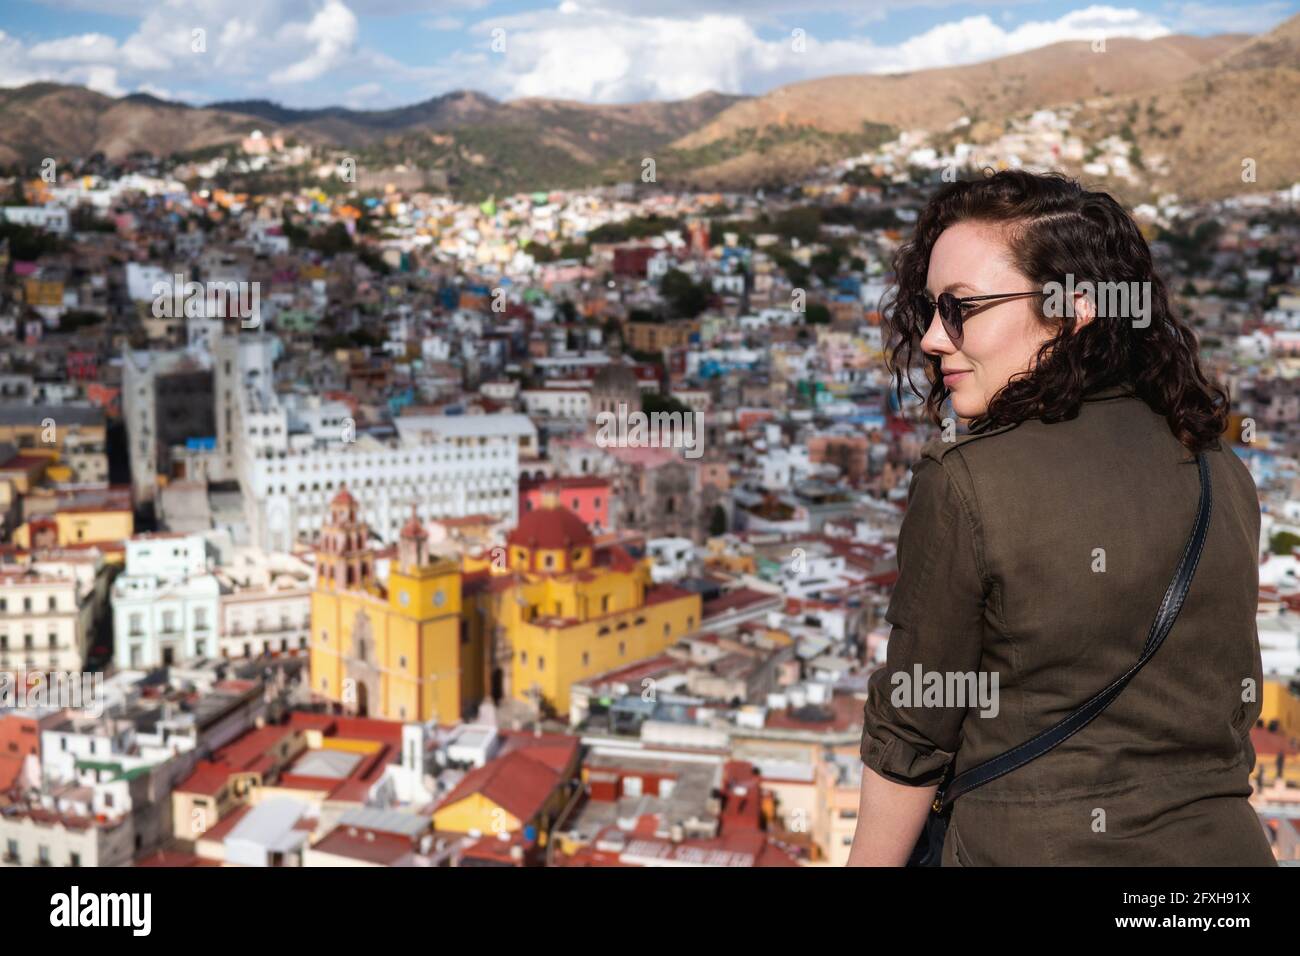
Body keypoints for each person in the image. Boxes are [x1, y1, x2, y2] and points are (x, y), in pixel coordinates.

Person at [846, 169, 1276, 866]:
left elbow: (912, 736)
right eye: (928, 310)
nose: (929, 337)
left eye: (961, 308)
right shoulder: (1219, 470)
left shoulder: (967, 484)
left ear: (1074, 310)